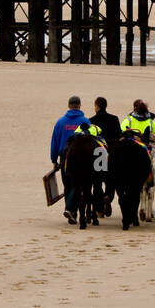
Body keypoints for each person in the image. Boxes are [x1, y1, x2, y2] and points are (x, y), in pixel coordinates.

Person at [50, 95, 91, 223]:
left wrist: (54, 159)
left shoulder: (60, 122)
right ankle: (72, 210)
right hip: (82, 159)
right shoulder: (86, 122)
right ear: (79, 106)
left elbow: (55, 142)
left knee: (68, 184)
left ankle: (70, 210)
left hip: (65, 158)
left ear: (69, 106)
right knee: (78, 185)